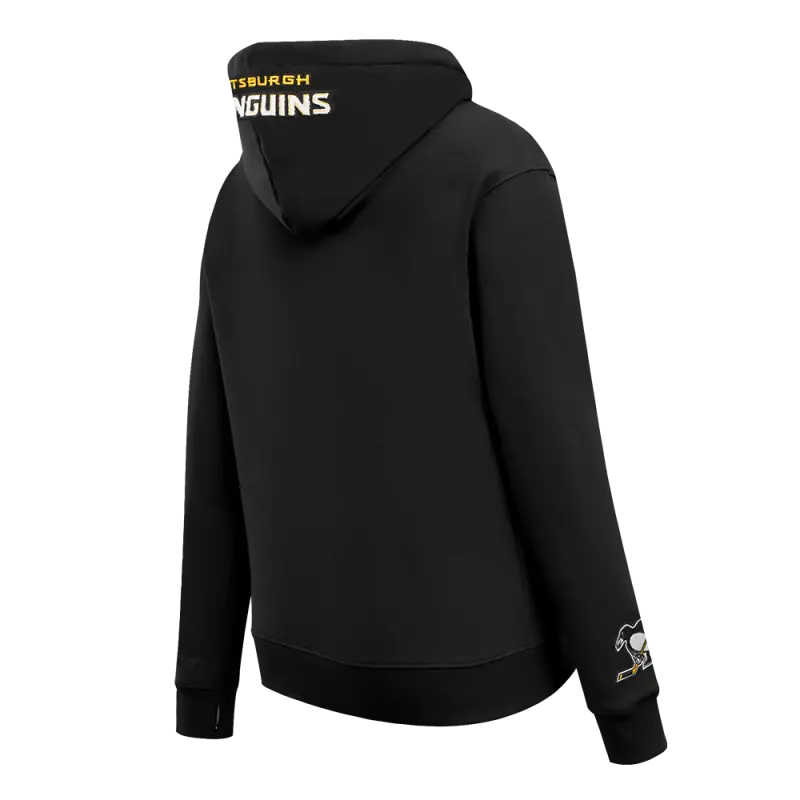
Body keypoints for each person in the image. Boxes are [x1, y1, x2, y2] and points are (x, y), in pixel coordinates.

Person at [175, 33, 670, 768]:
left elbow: (209, 462)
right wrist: (631, 697)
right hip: (489, 690)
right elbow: (559, 457)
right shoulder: (495, 164)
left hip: (286, 676)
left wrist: (202, 686)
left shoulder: (236, 193)